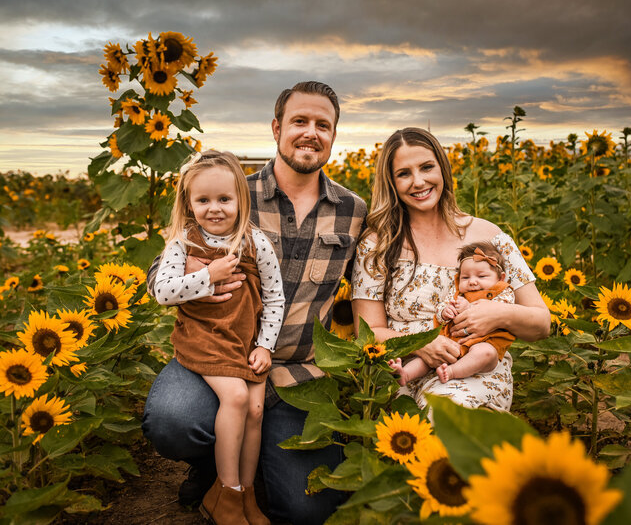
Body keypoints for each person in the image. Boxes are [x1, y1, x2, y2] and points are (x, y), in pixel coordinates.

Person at [142, 81, 367, 525]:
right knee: (174, 420)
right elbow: (159, 274)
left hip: (300, 372)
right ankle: (214, 468)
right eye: (300, 121)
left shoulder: (352, 210)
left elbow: (372, 285)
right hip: (219, 355)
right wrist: (206, 280)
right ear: (276, 127)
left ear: (335, 135)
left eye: (324, 124)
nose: (311, 132)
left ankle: (258, 464)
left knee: (308, 511)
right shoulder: (228, 195)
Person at [351, 127, 550, 413]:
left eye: (427, 167)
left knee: (448, 416)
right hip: (402, 371)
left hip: (473, 370)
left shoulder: (489, 237)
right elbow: (366, 333)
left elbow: (542, 323)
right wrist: (420, 344)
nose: (418, 181)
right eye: (404, 173)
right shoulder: (378, 243)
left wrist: (497, 313)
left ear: (442, 169)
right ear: (391, 183)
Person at [153, 150, 284, 524]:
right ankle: (226, 491)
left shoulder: (255, 242)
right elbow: (163, 292)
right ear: (188, 202)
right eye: (203, 200)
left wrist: (264, 345)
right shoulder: (183, 243)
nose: (215, 208)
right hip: (203, 337)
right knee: (238, 396)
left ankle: (245, 496)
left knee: (256, 411)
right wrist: (208, 275)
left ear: (241, 200)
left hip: (244, 341)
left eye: (224, 199)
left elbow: (275, 298)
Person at [388, 241, 516, 385]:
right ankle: (405, 374)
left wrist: (470, 308)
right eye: (465, 277)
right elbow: (442, 308)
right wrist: (444, 312)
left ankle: (452, 372)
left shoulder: (503, 292)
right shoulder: (458, 293)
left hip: (486, 342)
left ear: (500, 278)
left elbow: (501, 311)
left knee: (485, 353)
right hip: (454, 343)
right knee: (428, 357)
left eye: (481, 276)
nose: (473, 282)